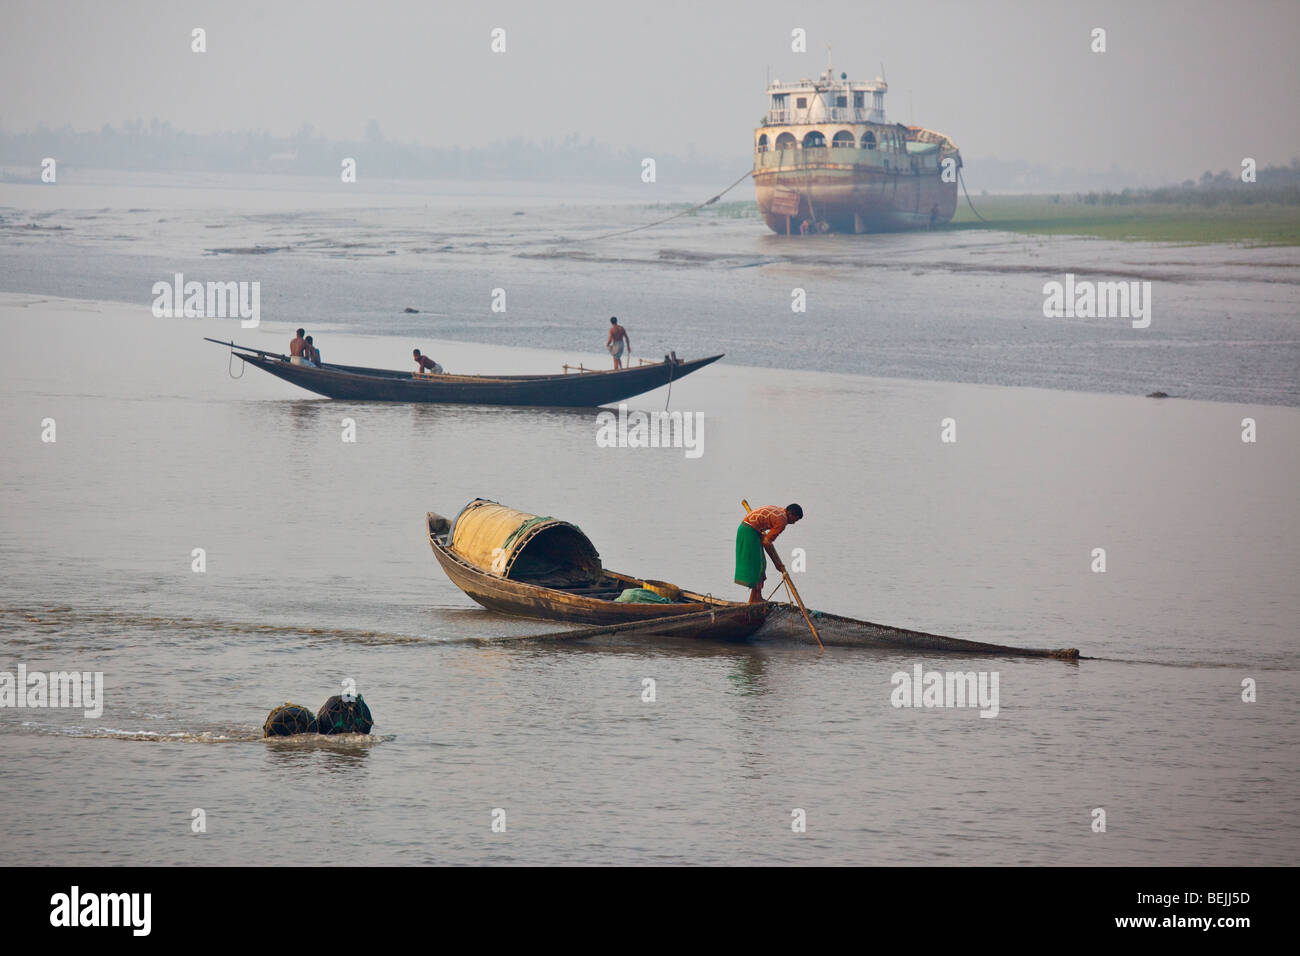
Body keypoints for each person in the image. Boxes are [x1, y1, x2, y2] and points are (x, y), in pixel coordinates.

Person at [734, 503, 803, 603]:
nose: (793, 523)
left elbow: (765, 534)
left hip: (750, 529)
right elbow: (766, 543)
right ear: (790, 513)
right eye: (795, 519)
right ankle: (754, 599)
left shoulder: (780, 510)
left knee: (761, 564)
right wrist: (776, 563)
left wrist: (763, 533)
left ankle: (757, 597)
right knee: (759, 565)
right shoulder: (782, 520)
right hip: (749, 531)